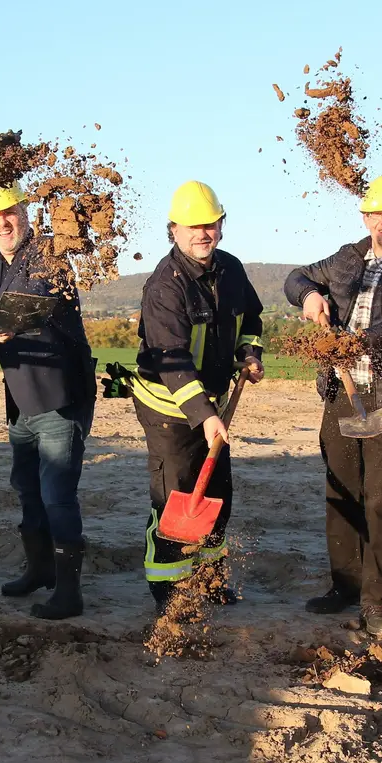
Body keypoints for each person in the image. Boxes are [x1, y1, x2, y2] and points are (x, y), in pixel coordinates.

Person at [282, 175, 382, 637]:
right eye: (375, 213)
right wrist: (311, 295)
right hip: (342, 398)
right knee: (343, 492)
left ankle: (376, 603)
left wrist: (351, 344)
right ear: (365, 218)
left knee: (380, 500)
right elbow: (296, 278)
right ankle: (344, 586)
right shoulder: (347, 258)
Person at [0, 187, 96, 620]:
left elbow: (31, 303)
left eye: (9, 213)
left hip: (59, 395)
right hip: (19, 399)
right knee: (28, 491)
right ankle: (39, 570)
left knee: (57, 495)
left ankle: (69, 592)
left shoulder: (49, 254)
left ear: (25, 211)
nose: (2, 223)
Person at [121, 181, 265, 616]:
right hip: (170, 409)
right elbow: (171, 361)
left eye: (210, 224)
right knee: (176, 497)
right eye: (192, 227)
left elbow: (252, 318)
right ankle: (168, 590)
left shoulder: (232, 269)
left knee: (217, 493)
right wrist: (203, 414)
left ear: (221, 225)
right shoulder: (165, 287)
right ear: (174, 230)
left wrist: (249, 353)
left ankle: (208, 578)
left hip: (213, 406)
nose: (203, 233)